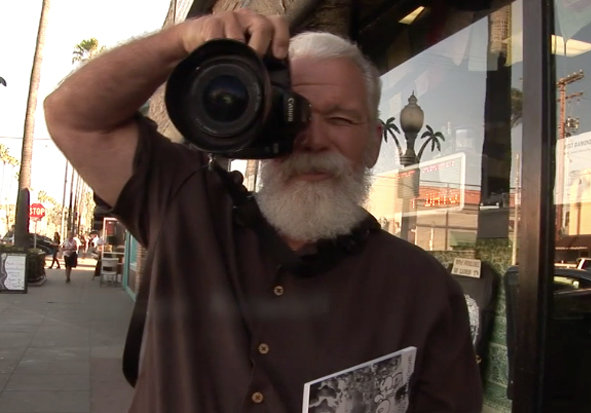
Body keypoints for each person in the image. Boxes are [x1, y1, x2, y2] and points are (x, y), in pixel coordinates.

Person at [44, 9, 482, 412]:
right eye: (293, 113)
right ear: (258, 126)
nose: (313, 140)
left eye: (341, 120)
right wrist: (182, 40)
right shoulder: (188, 205)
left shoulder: (423, 289)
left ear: (373, 144)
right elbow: (73, 117)